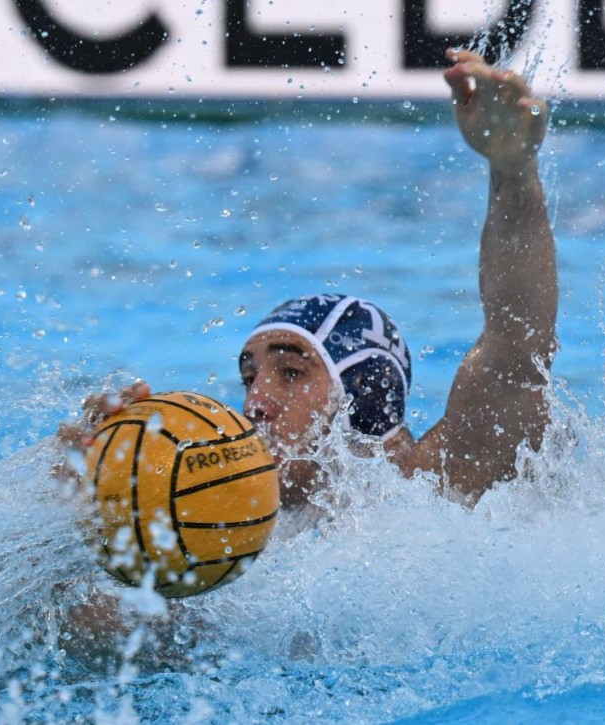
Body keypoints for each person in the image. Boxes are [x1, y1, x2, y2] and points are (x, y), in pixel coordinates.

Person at [58, 48, 557, 510]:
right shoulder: (225, 524)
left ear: (364, 397)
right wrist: (88, 497)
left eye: (291, 373)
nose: (254, 404)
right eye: (250, 377)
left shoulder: (435, 487)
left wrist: (513, 172)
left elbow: (518, 347)